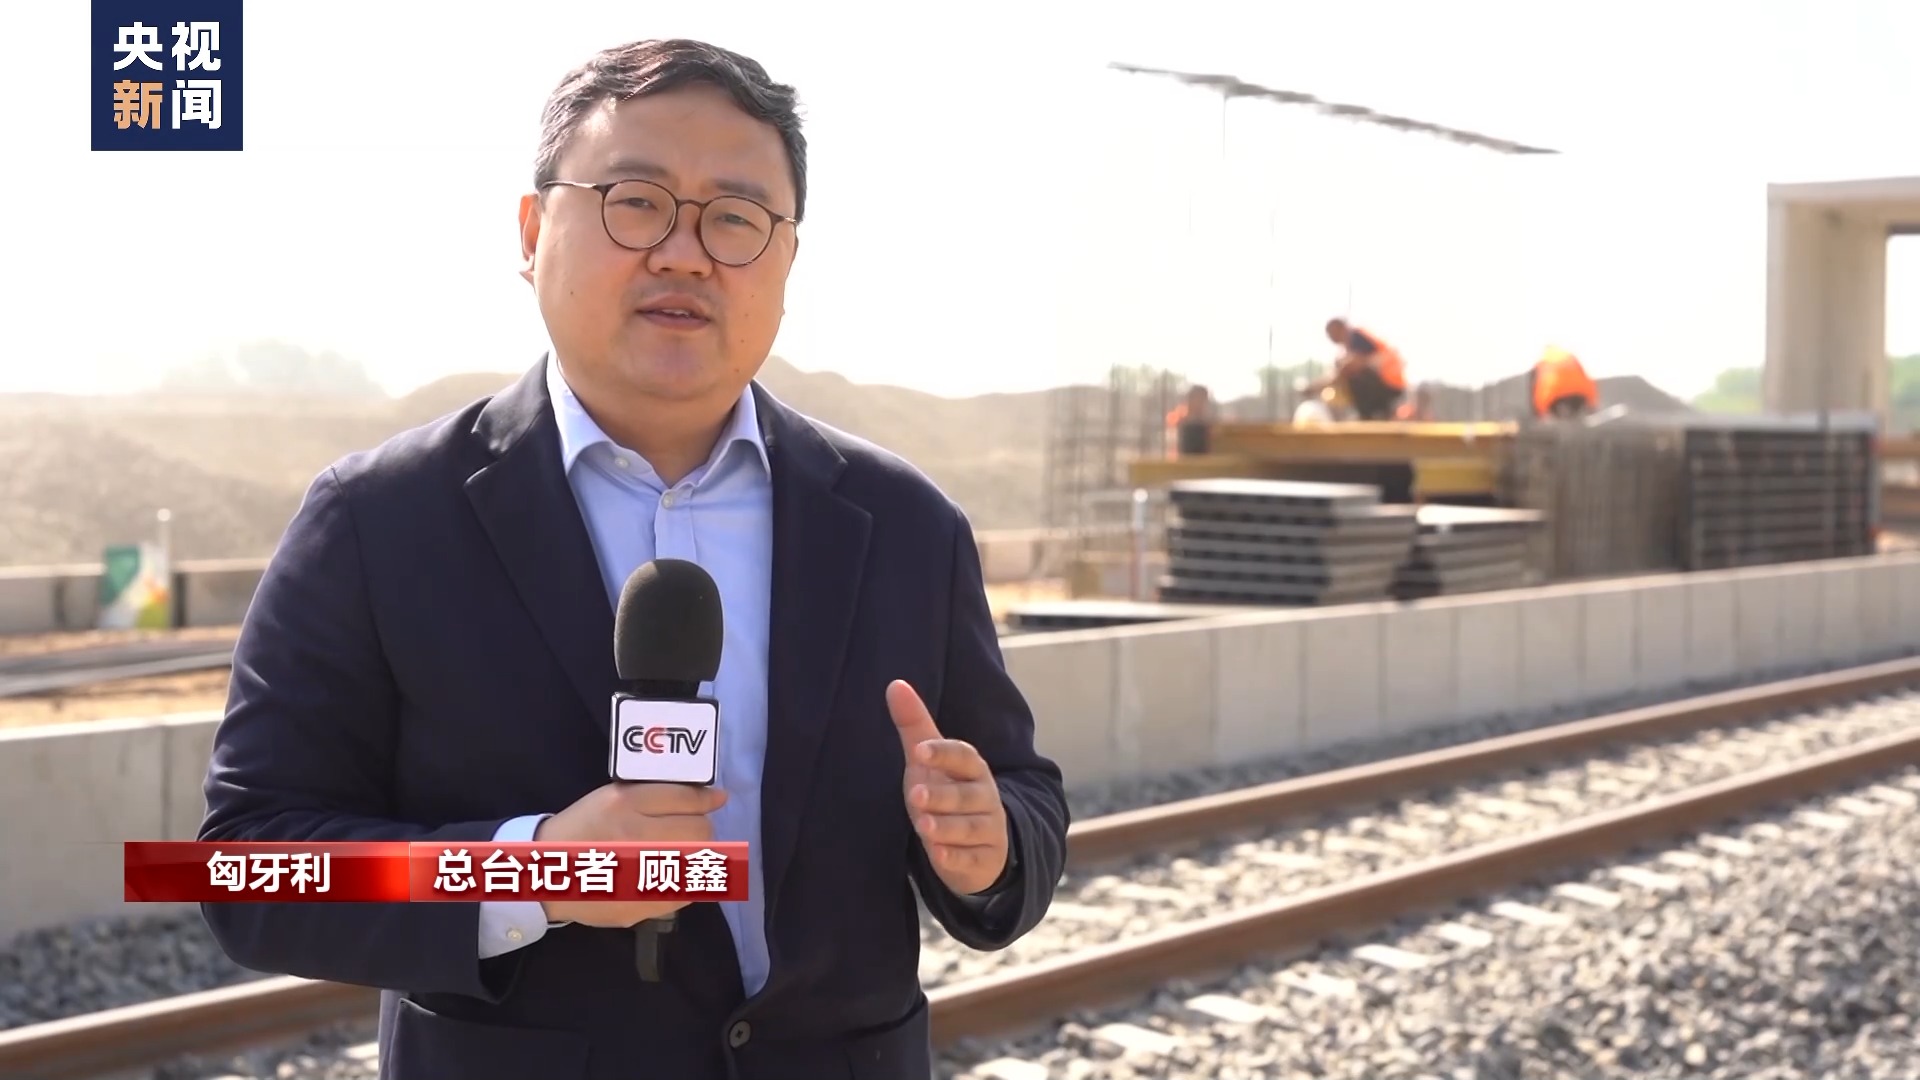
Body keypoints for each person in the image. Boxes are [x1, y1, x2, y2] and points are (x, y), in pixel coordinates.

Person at [196, 38, 1068, 1080]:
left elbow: (1023, 792)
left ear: (787, 261)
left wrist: (991, 842)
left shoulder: (904, 523)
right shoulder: (379, 520)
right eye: (637, 202)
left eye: (736, 218)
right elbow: (247, 868)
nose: (686, 255)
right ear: (532, 233)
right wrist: (531, 873)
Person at [1316, 318, 1408, 420]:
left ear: (1339, 328)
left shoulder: (1356, 337)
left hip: (1390, 384)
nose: (1330, 337)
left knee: (1353, 375)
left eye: (1331, 333)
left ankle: (1369, 414)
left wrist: (1320, 385)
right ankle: (1374, 413)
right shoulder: (1347, 347)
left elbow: (1352, 365)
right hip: (1386, 384)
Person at [1529, 345, 1599, 420]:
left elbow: (1536, 388)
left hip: (1554, 396)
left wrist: (1540, 413)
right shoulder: (1571, 358)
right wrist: (1592, 404)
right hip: (1579, 393)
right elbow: (1586, 379)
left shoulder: (1542, 363)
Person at [1164, 383, 1215, 456]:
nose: (1202, 404)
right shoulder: (1179, 422)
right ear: (1190, 400)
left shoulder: (1209, 426)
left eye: (1204, 400)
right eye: (1199, 399)